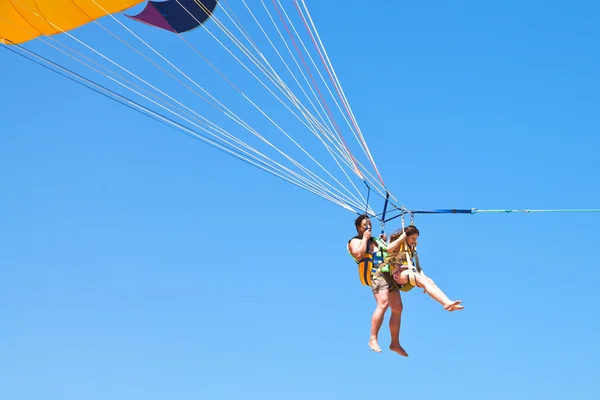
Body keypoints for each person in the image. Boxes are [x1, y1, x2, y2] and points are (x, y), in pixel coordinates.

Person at [347, 214, 409, 356]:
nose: (368, 228)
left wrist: (382, 243)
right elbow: (358, 254)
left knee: (398, 308)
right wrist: (365, 238)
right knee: (383, 303)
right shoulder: (355, 241)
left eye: (369, 226)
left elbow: (387, 253)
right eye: (365, 226)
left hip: (388, 272)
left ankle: (395, 343)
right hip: (376, 273)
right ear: (358, 227)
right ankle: (373, 338)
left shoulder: (375, 240)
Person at [386, 226, 464, 312]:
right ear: (406, 236)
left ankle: (446, 302)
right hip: (398, 275)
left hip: (409, 273)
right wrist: (401, 239)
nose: (414, 241)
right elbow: (388, 249)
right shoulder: (400, 244)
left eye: (415, 239)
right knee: (421, 279)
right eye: (412, 238)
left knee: (429, 281)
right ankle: (445, 303)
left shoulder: (410, 247)